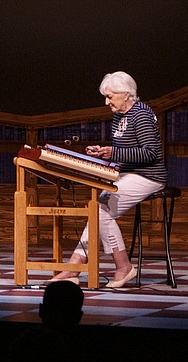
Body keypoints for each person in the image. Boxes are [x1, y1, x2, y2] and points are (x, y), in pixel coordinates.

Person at [47, 71, 167, 288]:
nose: (106, 101)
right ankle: (74, 268)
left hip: (148, 175)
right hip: (126, 173)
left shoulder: (141, 114)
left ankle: (124, 267)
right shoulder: (119, 116)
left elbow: (151, 153)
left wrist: (113, 153)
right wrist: (103, 151)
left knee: (101, 211)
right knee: (95, 209)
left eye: (110, 96)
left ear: (126, 95)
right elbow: (122, 150)